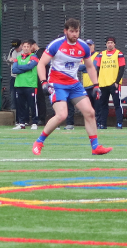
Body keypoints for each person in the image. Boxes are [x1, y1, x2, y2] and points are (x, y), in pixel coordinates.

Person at [31, 18, 111, 156]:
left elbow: (90, 66)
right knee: (62, 115)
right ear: (65, 31)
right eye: (72, 31)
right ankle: (39, 141)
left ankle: (95, 147)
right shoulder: (56, 44)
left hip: (74, 84)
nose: (75, 34)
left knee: (90, 113)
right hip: (57, 83)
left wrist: (96, 85)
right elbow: (41, 64)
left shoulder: (83, 47)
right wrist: (44, 82)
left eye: (77, 31)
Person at [95, 37, 126, 130]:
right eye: (108, 42)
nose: (110, 44)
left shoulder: (119, 54)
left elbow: (122, 68)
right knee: (103, 105)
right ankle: (103, 124)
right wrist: (97, 82)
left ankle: (119, 123)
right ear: (106, 44)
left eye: (111, 42)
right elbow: (97, 68)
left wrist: (117, 82)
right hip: (103, 84)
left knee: (117, 104)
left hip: (114, 84)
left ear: (114, 44)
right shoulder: (101, 54)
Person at [9, 40, 39, 129]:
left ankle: (34, 122)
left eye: (27, 47)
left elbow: (30, 66)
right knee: (20, 105)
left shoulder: (33, 56)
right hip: (19, 84)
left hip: (30, 85)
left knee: (32, 104)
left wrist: (20, 67)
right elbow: (14, 70)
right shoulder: (18, 58)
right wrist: (25, 67)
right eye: (24, 47)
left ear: (30, 48)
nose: (26, 48)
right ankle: (21, 123)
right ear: (22, 47)